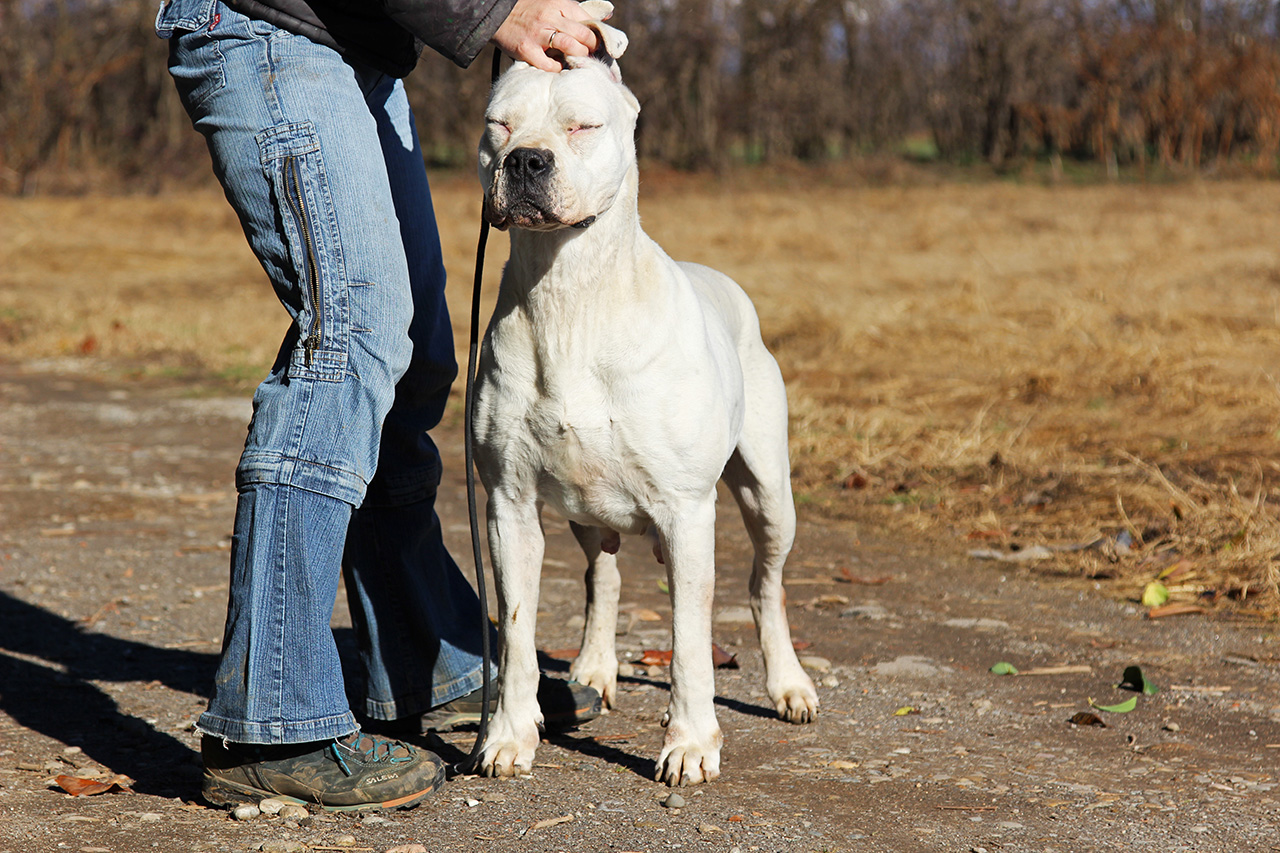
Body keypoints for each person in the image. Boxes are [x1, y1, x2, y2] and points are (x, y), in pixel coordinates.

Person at [155, 0, 603, 812]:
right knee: (351, 336)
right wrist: (495, 11)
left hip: (360, 46)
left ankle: (422, 658)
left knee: (416, 357)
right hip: (271, 28)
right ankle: (273, 720)